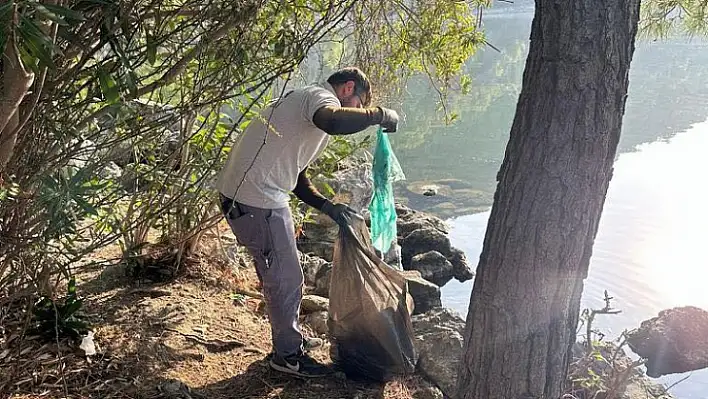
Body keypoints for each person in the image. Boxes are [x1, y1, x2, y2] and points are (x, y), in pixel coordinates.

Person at [216, 67, 399, 378]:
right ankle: (287, 357)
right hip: (256, 200)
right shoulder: (319, 98)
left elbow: (297, 176)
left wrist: (329, 207)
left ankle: (289, 342)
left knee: (280, 276)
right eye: (359, 103)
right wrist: (380, 114)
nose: (358, 112)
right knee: (287, 279)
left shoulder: (302, 105)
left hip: (250, 196)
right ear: (347, 89)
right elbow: (334, 121)